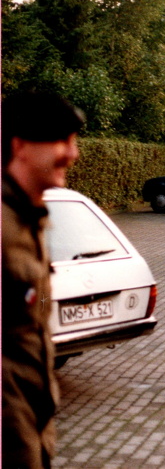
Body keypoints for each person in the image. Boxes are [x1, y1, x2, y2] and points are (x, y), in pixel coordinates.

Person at [2, 91, 84, 469]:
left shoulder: (28, 218)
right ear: (19, 145)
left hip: (31, 431)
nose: (72, 154)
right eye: (60, 141)